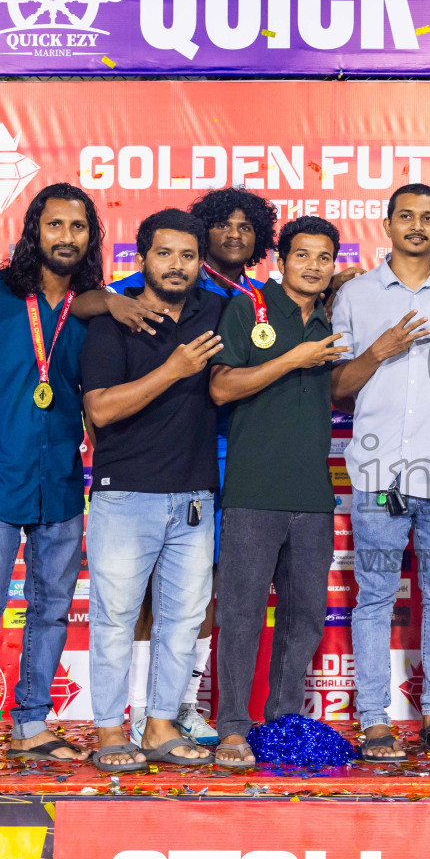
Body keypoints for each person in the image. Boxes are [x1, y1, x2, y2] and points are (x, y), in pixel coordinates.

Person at [0, 183, 155, 774]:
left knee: (52, 605)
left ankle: (32, 723)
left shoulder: (92, 307)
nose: (66, 237)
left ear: (91, 238)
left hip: (59, 479)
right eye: (55, 225)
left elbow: (97, 399)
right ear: (35, 231)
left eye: (78, 228)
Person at [108, 188, 276, 748]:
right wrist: (107, 301)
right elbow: (89, 302)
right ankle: (135, 708)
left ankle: (181, 705)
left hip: (232, 459)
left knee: (200, 592)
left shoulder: (251, 301)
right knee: (144, 597)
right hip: (152, 469)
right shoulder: (141, 298)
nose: (234, 234)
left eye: (245, 227)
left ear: (260, 237)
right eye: (222, 225)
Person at [330, 183, 430, 761]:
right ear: (386, 224)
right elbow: (336, 392)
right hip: (377, 477)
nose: (417, 226)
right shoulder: (357, 297)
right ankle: (374, 719)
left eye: (429, 218)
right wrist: (378, 352)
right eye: (406, 216)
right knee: (373, 599)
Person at [80, 209, 224, 771]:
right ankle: (111, 731)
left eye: (188, 256)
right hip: (124, 495)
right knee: (114, 617)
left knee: (184, 620)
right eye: (165, 254)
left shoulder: (217, 310)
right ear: (142, 258)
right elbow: (100, 408)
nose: (177, 265)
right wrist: (173, 369)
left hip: (194, 497)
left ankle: (161, 725)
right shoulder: (114, 320)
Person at [208, 217, 347, 768]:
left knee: (306, 615)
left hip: (313, 494)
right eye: (302, 255)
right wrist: (293, 358)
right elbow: (220, 386)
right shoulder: (251, 308)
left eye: (323, 258)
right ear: (281, 261)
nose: (313, 266)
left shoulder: (331, 320)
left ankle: (286, 722)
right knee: (240, 613)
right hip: (251, 490)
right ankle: (234, 730)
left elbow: (338, 391)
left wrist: (377, 352)